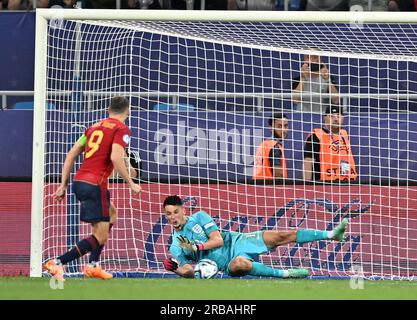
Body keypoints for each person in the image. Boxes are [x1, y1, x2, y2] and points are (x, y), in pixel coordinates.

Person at [44, 96, 142, 281]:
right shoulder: (122, 129)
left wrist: (63, 185)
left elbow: (71, 154)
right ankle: (57, 262)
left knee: (112, 213)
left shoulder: (93, 127)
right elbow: (115, 158)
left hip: (80, 182)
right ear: (128, 111)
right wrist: (131, 182)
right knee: (101, 237)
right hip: (95, 185)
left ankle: (93, 265)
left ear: (108, 109)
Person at [162, 195, 348, 279]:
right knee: (242, 264)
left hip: (235, 241)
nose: (172, 218)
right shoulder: (176, 246)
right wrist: (175, 269)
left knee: (281, 235)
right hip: (227, 264)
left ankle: (332, 234)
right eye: (168, 214)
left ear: (183, 210)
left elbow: (217, 240)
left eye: (175, 212)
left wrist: (197, 248)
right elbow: (188, 271)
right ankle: (285, 274)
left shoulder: (200, 216)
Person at [303, 104, 357, 181]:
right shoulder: (316, 136)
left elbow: (345, 159)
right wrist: (307, 184)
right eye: (331, 116)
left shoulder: (344, 135)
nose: (335, 119)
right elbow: (308, 161)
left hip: (346, 183)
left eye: (338, 116)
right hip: (324, 183)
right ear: (325, 118)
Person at [253, 113, 288, 179]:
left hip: (258, 186)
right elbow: (278, 174)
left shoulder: (264, 144)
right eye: (279, 126)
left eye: (285, 126)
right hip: (270, 187)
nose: (283, 130)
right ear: (271, 128)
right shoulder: (274, 146)